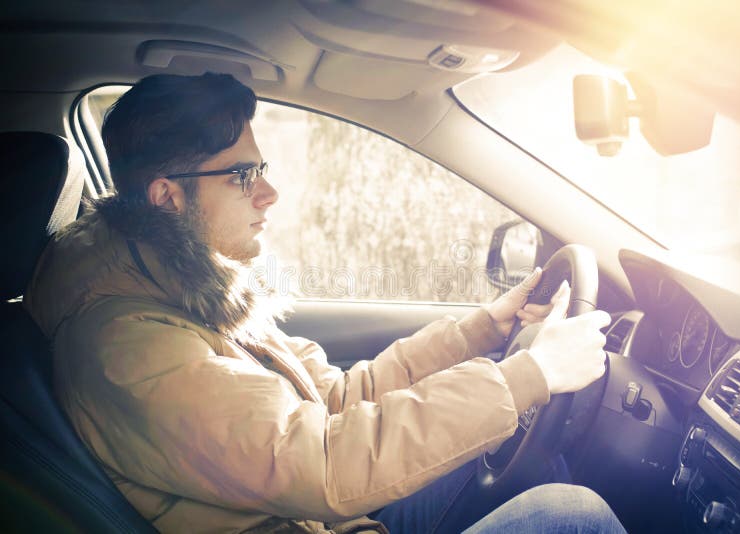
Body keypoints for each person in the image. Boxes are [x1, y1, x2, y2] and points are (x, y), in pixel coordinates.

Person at [24, 73, 625, 533]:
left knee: (518, 464)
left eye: (260, 168)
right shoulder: (130, 350)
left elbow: (334, 402)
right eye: (241, 175)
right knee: (574, 515)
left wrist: (482, 331)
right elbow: (327, 462)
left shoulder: (189, 295)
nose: (268, 192)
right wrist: (528, 375)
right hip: (317, 508)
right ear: (167, 198)